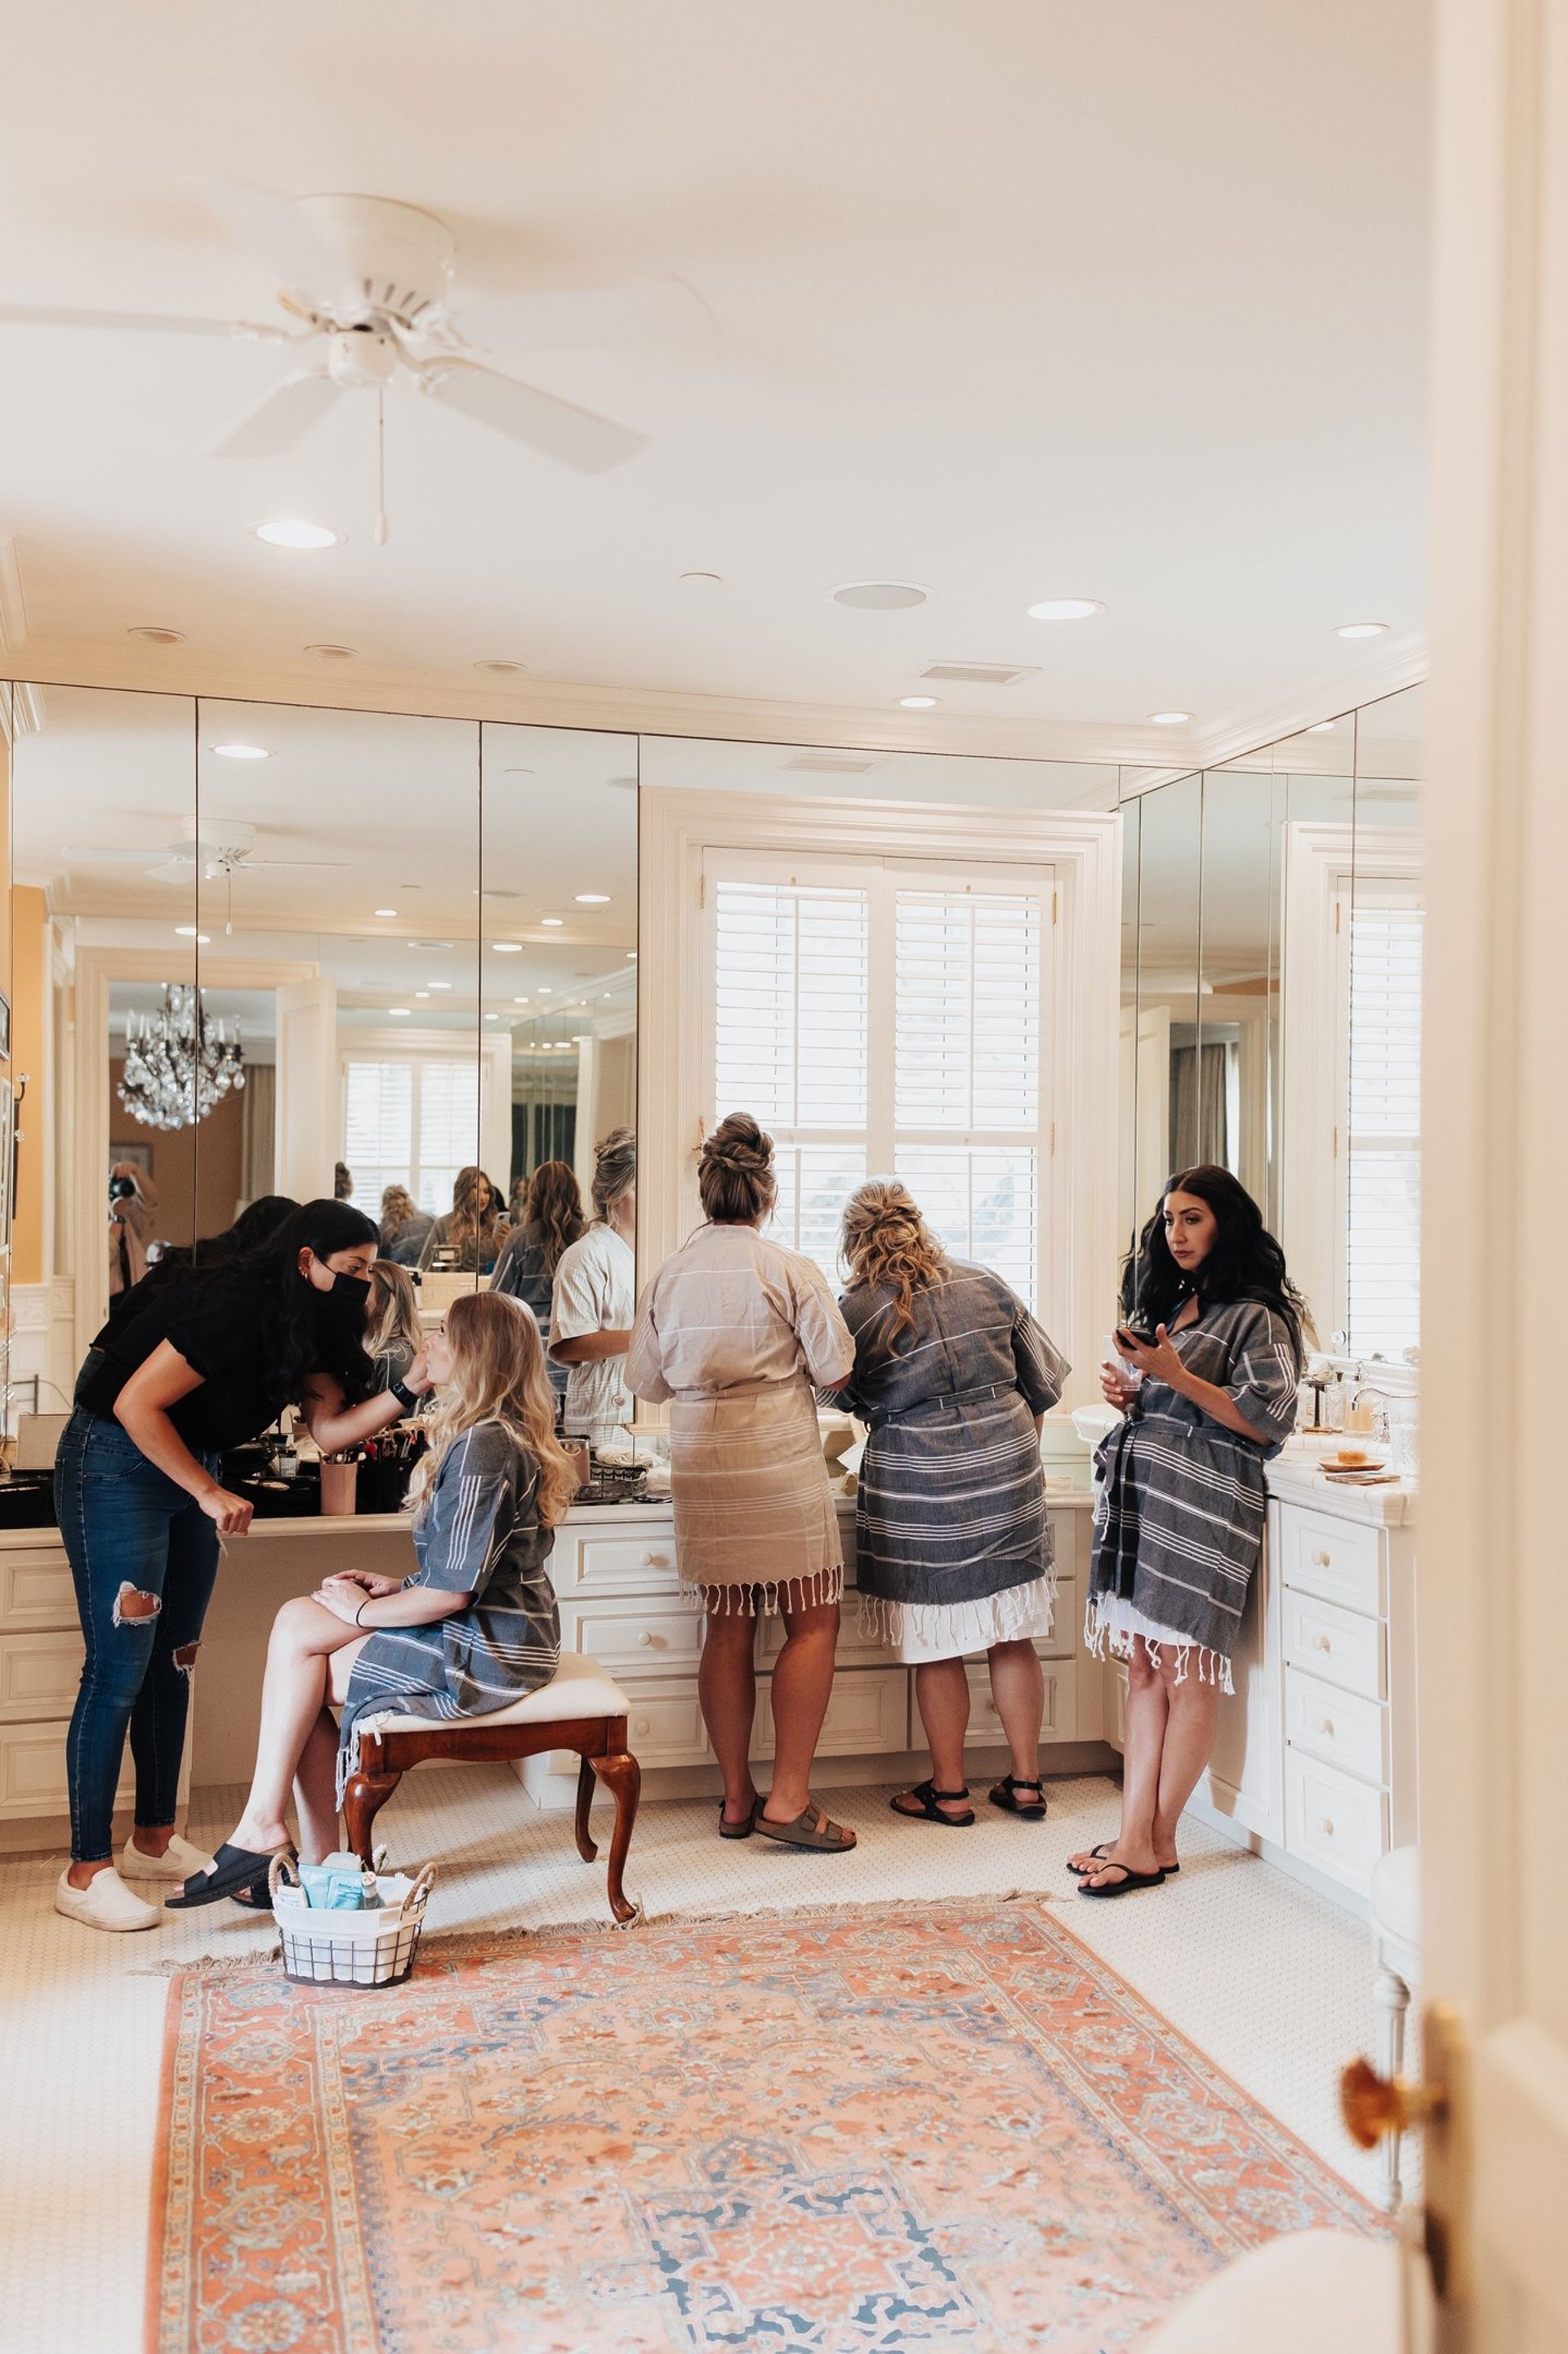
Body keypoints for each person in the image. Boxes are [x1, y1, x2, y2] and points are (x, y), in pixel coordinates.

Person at [53, 1199, 436, 1932]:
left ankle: (153, 1839)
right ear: (305, 1260)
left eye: (368, 1270)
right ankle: (83, 1870)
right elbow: (136, 1403)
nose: (361, 1284)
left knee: (176, 1660)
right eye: (351, 1269)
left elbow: (328, 1434)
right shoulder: (231, 1306)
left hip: (189, 1465)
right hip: (115, 1459)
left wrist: (411, 1385)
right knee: (116, 1670)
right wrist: (206, 1490)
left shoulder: (311, 1321)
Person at [172, 1290, 575, 1906]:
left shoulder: (486, 1445)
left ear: (476, 1353)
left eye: (443, 1335)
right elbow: (467, 1571)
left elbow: (454, 1591)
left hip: (493, 1648)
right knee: (298, 1646)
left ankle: (284, 1842)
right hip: (501, 1629)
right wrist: (395, 1588)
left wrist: (361, 1612)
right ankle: (303, 1852)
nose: (428, 1344)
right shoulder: (495, 1434)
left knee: (298, 1664)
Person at [1072, 1165, 1307, 1897]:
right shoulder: (1178, 1303)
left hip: (1208, 1506)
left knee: (1188, 1673)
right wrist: (1131, 1393)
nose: (1176, 1233)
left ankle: (1147, 1837)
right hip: (1151, 1500)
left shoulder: (1257, 1316)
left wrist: (1171, 1378)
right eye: (1170, 1219)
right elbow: (1172, 1396)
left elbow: (1268, 1417)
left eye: (1193, 1218)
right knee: (1143, 1670)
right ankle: (1144, 1835)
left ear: (1225, 1223)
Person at [628, 1114, 858, 1852]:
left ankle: (735, 1799)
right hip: (779, 1452)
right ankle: (789, 1800)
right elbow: (837, 1369)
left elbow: (648, 1384)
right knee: (812, 1617)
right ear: (768, 1194)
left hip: (702, 1453)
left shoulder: (668, 1273)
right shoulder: (787, 1268)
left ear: (706, 1192)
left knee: (725, 1625)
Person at [826, 1181, 1070, 1828]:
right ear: (917, 1222)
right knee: (1011, 1634)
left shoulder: (856, 1311)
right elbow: (1041, 1387)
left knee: (939, 1641)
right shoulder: (985, 1281)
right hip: (1009, 1473)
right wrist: (1025, 1462)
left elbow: (836, 1398)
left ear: (854, 1241)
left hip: (920, 1486)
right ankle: (1025, 1784)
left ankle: (951, 1792)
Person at [550, 1130, 637, 1447]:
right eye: (640, 1187)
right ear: (615, 1193)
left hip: (644, 1398)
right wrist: (647, 1334)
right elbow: (567, 1345)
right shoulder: (584, 1256)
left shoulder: (656, 1251)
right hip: (602, 1403)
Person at [490, 1159, 586, 1404]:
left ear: (535, 1194)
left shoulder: (521, 1240)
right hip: (580, 1362)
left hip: (533, 1364)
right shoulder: (588, 1237)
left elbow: (496, 1301)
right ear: (574, 1193)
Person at [418, 1166, 506, 1275]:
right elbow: (426, 1267)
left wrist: (505, 1243)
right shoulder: (444, 1225)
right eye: (476, 1189)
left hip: (488, 1288)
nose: (483, 1197)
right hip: (452, 1287)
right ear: (465, 1192)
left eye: (486, 1191)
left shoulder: (493, 1226)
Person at [365, 1259, 425, 1393]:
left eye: (364, 1289)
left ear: (385, 1304)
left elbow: (391, 1414)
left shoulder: (393, 1359)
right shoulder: (364, 1348)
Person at [108, 1161, 159, 1297]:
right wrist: (116, 1218)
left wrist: (135, 1171)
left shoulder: (127, 1217)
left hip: (136, 1295)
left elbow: (151, 1201)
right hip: (108, 1302)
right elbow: (106, 1254)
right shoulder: (89, 1222)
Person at [378, 1184, 433, 1268]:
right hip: (428, 1277)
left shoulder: (382, 1230)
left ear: (385, 1205)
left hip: (397, 1279)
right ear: (408, 1200)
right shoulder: (429, 1220)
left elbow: (377, 1265)